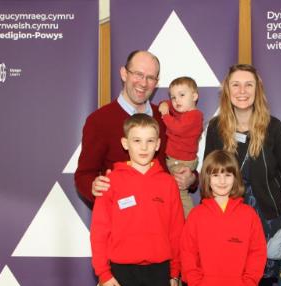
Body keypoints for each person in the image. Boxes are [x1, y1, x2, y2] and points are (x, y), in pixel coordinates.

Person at [203, 64, 281, 286]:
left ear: (257, 90)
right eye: (236, 84)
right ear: (227, 90)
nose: (242, 91)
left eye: (248, 84)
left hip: (267, 219)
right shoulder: (215, 128)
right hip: (228, 217)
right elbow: (208, 174)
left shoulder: (273, 127)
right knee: (230, 282)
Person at [74, 50, 196, 204]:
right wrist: (94, 187)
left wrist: (191, 178)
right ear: (124, 74)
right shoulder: (99, 121)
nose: (143, 83)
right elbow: (84, 175)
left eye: (150, 77)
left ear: (156, 82)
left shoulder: (166, 118)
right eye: (138, 74)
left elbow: (181, 160)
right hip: (123, 219)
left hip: (164, 218)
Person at [90, 114, 185, 286]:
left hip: (160, 271)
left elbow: (177, 231)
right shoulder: (110, 182)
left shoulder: (168, 183)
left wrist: (174, 272)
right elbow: (100, 231)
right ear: (125, 143)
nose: (143, 147)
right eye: (137, 140)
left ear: (158, 144)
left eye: (150, 141)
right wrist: (104, 273)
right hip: (121, 271)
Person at [180, 150, 267, 286]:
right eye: (216, 175)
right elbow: (187, 253)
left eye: (227, 175)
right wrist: (196, 285)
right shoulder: (196, 215)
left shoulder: (249, 215)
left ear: (235, 178)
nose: (222, 181)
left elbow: (257, 253)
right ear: (207, 178)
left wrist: (247, 285)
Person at [158, 76, 203, 217]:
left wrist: (165, 115)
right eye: (173, 97)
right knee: (172, 193)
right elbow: (167, 105)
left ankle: (190, 220)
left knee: (180, 194)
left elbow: (178, 128)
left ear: (194, 96)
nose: (177, 100)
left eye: (182, 95)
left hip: (181, 161)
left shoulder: (194, 116)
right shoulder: (183, 111)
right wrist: (165, 104)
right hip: (178, 159)